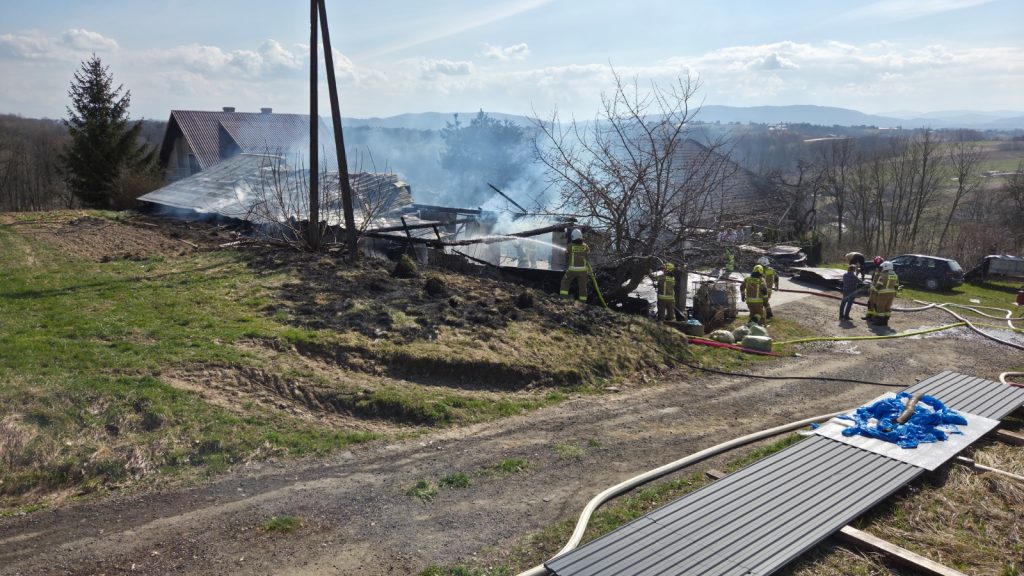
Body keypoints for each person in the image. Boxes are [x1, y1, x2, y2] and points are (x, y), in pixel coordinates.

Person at [559, 228, 589, 302]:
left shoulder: (570, 246)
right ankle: (583, 302)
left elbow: (566, 255)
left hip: (572, 269)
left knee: (565, 282)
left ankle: (563, 298)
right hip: (583, 270)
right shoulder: (585, 246)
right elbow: (588, 254)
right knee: (583, 286)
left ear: (572, 237)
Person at [867, 261, 899, 326]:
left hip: (883, 293)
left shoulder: (883, 275)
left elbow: (879, 285)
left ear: (885, 267)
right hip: (892, 294)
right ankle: (885, 321)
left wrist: (873, 288)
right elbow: (896, 285)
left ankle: (880, 322)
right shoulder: (895, 275)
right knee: (887, 307)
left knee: (880, 307)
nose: (881, 269)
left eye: (882, 267)